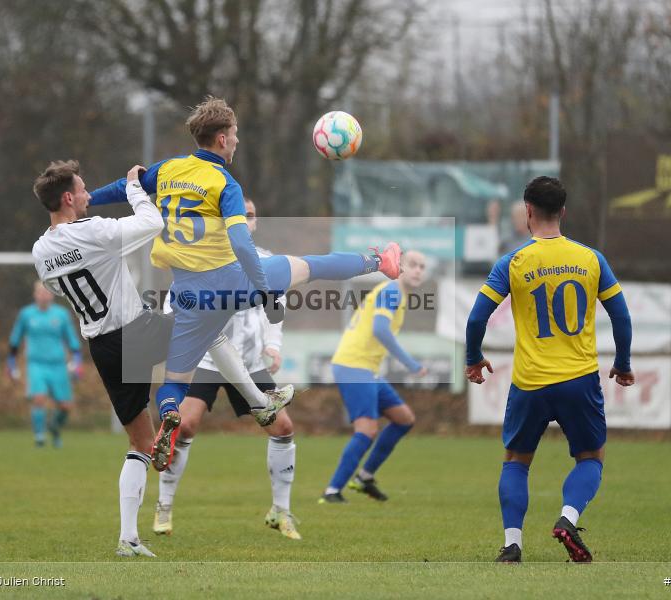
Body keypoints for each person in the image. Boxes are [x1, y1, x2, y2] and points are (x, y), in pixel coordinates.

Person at [89, 96, 402, 473]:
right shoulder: (225, 182)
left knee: (176, 380)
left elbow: (128, 186)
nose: (237, 141)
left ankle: (168, 414)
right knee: (308, 266)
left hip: (187, 295)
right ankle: (379, 260)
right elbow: (240, 242)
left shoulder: (168, 169)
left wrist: (88, 199)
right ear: (222, 139)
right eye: (235, 135)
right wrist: (266, 292)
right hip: (228, 281)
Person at [30, 160, 293, 558]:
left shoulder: (41, 250)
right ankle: (259, 403)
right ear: (68, 198)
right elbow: (152, 224)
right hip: (135, 330)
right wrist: (136, 188)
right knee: (208, 325)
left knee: (139, 444)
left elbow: (62, 280)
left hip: (102, 347)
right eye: (83, 190)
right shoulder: (93, 231)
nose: (88, 195)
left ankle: (128, 538)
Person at [464, 176, 634, 564]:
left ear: (527, 211)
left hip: (531, 382)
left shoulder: (513, 262)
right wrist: (622, 363)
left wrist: (473, 357)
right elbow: (621, 316)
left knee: (516, 461)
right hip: (578, 379)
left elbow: (476, 319)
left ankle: (512, 545)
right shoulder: (591, 259)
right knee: (591, 457)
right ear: (563, 212)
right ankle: (568, 518)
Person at [152, 198, 301, 540]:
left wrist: (272, 346)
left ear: (256, 221)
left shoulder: (264, 260)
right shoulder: (201, 255)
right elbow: (173, 299)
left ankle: (281, 510)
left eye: (250, 215)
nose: (245, 220)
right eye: (238, 216)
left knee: (283, 428)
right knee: (183, 426)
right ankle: (164, 506)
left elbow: (276, 307)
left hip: (248, 364)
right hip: (205, 359)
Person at [319, 251, 429, 504]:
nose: (417, 270)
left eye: (422, 266)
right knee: (367, 430)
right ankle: (332, 491)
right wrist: (411, 364)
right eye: (412, 265)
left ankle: (364, 478)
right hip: (353, 365)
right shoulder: (391, 290)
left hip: (367, 369)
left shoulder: (396, 294)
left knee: (404, 419)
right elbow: (380, 329)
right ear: (400, 266)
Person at [7, 281, 82, 448]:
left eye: (46, 292)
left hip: (58, 365)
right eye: (40, 292)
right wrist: (11, 363)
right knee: (39, 398)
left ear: (52, 294)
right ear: (35, 294)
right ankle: (39, 436)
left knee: (64, 405)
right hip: (36, 364)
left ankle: (54, 428)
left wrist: (77, 362)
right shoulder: (26, 314)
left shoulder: (61, 315)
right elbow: (15, 339)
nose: (44, 295)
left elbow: (72, 340)